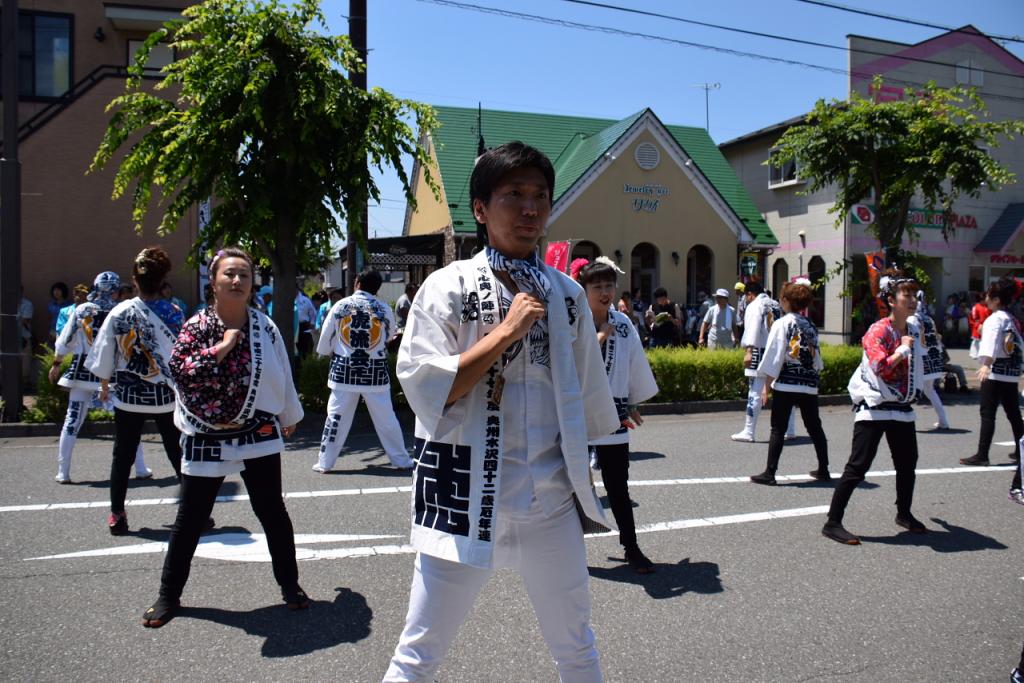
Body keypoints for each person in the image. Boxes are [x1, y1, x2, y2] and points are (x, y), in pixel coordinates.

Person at [384, 142, 619, 682]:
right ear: (482, 209)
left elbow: (585, 393)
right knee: (419, 652)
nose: (530, 209)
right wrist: (507, 332)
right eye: (513, 194)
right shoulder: (448, 287)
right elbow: (429, 389)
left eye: (540, 196)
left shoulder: (566, 295)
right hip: (463, 491)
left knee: (577, 646)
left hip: (550, 498)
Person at [141, 247, 306, 628]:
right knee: (191, 518)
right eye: (229, 274)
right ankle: (169, 594)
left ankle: (291, 584)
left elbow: (283, 369)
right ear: (213, 282)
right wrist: (224, 345)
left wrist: (288, 414)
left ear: (252, 285)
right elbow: (181, 372)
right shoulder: (195, 327)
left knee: (272, 512)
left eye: (244, 275)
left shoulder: (264, 327)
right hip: (205, 431)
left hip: (257, 429)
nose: (237, 281)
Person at [822, 271, 928, 545]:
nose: (913, 300)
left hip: (901, 407)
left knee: (907, 465)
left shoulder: (914, 329)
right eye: (907, 295)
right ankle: (832, 522)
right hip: (875, 404)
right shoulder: (878, 330)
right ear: (891, 300)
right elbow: (880, 366)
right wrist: (903, 350)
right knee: (858, 467)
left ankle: (904, 514)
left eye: (915, 295)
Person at [87, 248, 187, 535]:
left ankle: (117, 513)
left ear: (134, 280)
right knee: (178, 453)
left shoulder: (120, 312)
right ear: (162, 279)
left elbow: (104, 353)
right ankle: (193, 512)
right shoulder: (175, 312)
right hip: (166, 396)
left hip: (129, 396)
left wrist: (105, 384)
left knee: (123, 456)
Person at [575, 257, 659, 573]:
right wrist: (595, 342)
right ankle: (565, 549)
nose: (604, 292)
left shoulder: (623, 324)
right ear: (583, 289)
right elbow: (563, 364)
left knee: (617, 485)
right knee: (568, 483)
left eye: (609, 285)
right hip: (578, 414)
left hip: (614, 412)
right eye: (597, 286)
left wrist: (634, 400)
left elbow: (632, 362)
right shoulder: (573, 321)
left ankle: (631, 546)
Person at [50, 272, 150, 484]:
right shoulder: (122, 310)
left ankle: (63, 471)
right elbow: (129, 346)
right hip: (113, 373)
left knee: (72, 420)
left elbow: (64, 341)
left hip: (82, 370)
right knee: (128, 421)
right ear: (116, 290)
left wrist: (57, 363)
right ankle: (140, 468)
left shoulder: (82, 309)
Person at [313, 268, 414, 473]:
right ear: (377, 288)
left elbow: (325, 342)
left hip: (344, 370)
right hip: (374, 371)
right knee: (386, 419)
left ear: (357, 282)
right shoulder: (383, 308)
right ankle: (402, 460)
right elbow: (388, 336)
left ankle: (325, 462)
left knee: (336, 417)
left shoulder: (341, 306)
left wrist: (335, 350)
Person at [749, 280, 830, 485]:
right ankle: (824, 468)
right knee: (815, 427)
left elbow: (774, 357)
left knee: (778, 428)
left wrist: (767, 386)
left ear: (786, 300)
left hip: (787, 382)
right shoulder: (809, 325)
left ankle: (770, 472)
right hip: (808, 382)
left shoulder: (782, 323)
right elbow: (817, 359)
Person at [961, 278, 1024, 468]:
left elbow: (991, 343)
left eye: (988, 295)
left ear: (996, 299)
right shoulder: (1011, 319)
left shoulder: (994, 319)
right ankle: (1021, 451)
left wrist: (986, 364)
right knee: (1013, 413)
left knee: (988, 413)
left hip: (995, 372)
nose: (985, 298)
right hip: (1011, 371)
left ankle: (982, 454)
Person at [732, 281, 794, 442]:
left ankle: (749, 430)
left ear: (750, 294)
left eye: (746, 296)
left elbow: (752, 329)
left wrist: (748, 351)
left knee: (755, 390)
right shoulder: (775, 304)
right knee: (784, 390)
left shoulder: (754, 305)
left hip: (759, 351)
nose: (745, 299)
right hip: (779, 352)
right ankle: (790, 429)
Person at [909, 292, 950, 430]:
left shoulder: (912, 320)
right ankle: (943, 420)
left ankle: (905, 422)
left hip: (919, 360)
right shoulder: (929, 319)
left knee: (910, 390)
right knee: (929, 390)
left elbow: (912, 341)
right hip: (932, 358)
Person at [295, 285, 317, 357]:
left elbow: (313, 313)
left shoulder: (305, 300)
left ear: (297, 289)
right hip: (292, 327)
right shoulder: (286, 300)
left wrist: (312, 323)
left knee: (305, 348)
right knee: (294, 348)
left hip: (303, 326)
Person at [968, 293, 990, 359]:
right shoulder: (976, 307)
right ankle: (974, 354)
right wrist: (978, 324)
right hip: (978, 325)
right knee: (976, 341)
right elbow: (974, 317)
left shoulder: (987, 306)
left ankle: (982, 354)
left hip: (986, 325)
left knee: (984, 340)